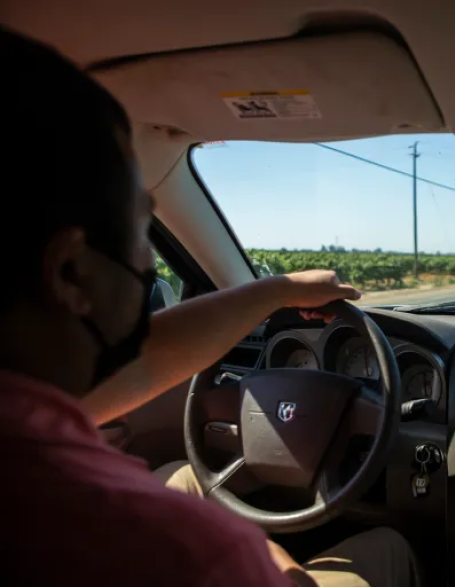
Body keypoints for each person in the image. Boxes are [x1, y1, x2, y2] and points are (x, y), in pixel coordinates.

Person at [0, 27, 420, 587]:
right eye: (140, 227)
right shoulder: (195, 553)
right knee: (389, 548)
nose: (148, 258)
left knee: (183, 474)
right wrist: (257, 550)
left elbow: (150, 361)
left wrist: (280, 290)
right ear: (72, 272)